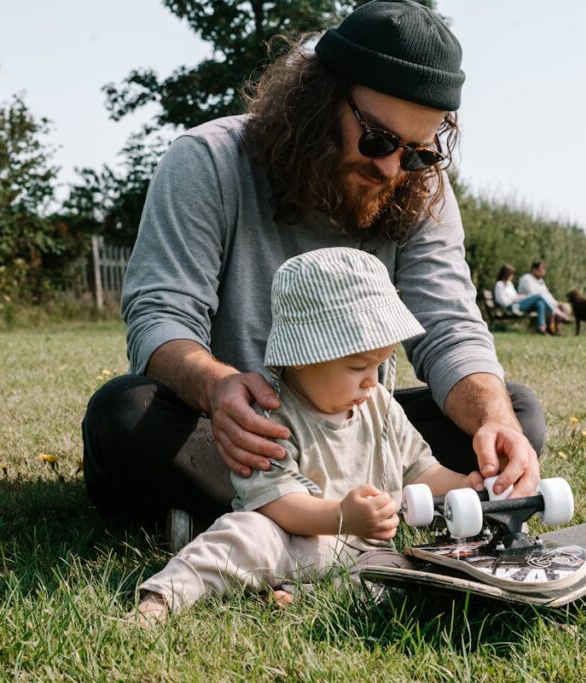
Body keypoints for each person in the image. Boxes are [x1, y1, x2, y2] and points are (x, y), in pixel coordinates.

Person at [81, 0, 547, 542]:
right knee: (126, 414)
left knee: (514, 412)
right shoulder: (208, 160)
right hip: (243, 428)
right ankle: (327, 508)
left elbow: (449, 328)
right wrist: (217, 387)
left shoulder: (422, 189)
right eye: (378, 139)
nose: (391, 168)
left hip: (355, 430)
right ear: (319, 99)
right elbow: (161, 317)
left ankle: (238, 514)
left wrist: (494, 422)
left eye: (417, 152)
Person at [131, 248, 484, 621]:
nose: (372, 380)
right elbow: (278, 503)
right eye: (358, 367)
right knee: (244, 535)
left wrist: (468, 485)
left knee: (398, 573)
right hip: (288, 539)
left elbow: (420, 470)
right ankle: (165, 596)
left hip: (363, 550)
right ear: (303, 356)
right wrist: (342, 516)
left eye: (379, 365)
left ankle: (296, 595)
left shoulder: (379, 404)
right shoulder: (271, 415)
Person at [493, 264, 555, 335]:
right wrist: (513, 299)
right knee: (538, 296)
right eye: (511, 274)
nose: (512, 276)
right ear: (507, 274)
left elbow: (514, 295)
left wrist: (519, 297)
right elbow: (501, 300)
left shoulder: (509, 284)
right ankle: (552, 310)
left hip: (517, 304)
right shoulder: (499, 285)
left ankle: (542, 328)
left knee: (540, 304)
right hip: (511, 307)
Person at [518, 260, 571, 334]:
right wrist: (551, 304)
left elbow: (547, 294)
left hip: (544, 302)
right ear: (534, 270)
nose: (543, 272)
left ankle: (557, 330)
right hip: (531, 304)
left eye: (544, 270)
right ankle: (549, 329)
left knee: (565, 306)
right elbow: (535, 295)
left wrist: (556, 303)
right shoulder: (526, 279)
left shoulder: (540, 281)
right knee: (543, 305)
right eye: (541, 270)